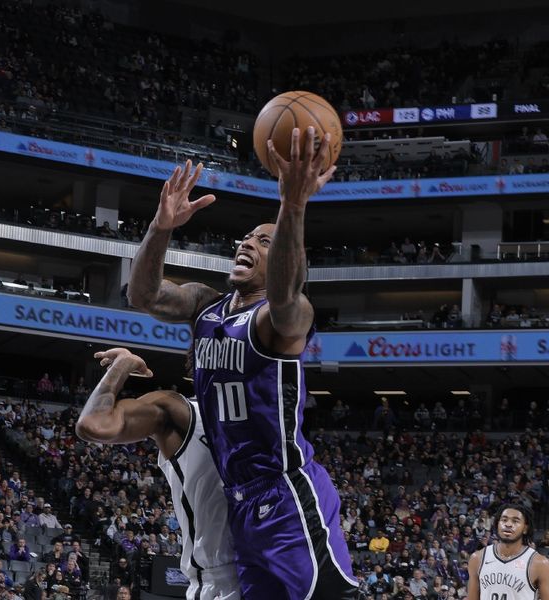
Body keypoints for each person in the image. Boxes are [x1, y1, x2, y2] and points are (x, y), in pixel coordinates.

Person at [127, 128, 358, 599]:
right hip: (239, 498)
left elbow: (288, 294)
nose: (247, 243)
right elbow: (142, 295)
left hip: (287, 492)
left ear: (287, 261)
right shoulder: (205, 306)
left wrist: (292, 206)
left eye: (265, 241)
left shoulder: (282, 319)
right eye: (246, 237)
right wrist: (161, 227)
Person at [75, 347, 240, 600]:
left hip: (269, 570)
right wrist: (122, 366)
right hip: (222, 581)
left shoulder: (266, 422)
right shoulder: (181, 411)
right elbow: (92, 424)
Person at [467, 503, 549, 600]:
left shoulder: (540, 564)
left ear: (525, 529)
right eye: (504, 520)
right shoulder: (477, 558)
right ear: (497, 525)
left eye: (515, 521)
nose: (508, 524)